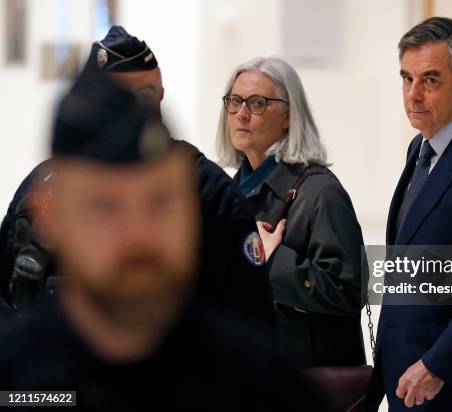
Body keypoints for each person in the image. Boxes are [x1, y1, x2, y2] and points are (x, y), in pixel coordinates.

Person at [0, 64, 330, 412]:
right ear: (50, 218)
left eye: (161, 203)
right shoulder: (15, 382)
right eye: (106, 208)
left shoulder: (263, 387)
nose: (139, 234)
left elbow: (353, 282)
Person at [0, 26, 275, 334]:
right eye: (103, 208)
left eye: (160, 205)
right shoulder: (47, 185)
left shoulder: (210, 190)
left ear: (160, 96)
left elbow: (251, 320)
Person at [365, 17, 452, 411]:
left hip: (450, 384)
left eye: (430, 80)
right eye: (406, 78)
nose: (413, 95)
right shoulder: (421, 149)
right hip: (405, 376)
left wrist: (437, 364)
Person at [215, 56, 365, 367]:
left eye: (257, 103)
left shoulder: (320, 192)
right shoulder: (229, 192)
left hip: (306, 387)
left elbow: (350, 292)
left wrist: (274, 259)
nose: (241, 113)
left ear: (288, 116)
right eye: (234, 101)